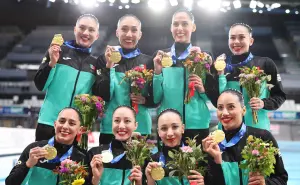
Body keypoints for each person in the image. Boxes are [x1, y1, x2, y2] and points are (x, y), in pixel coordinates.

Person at [152, 9, 218, 144]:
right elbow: (156, 98)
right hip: (169, 125)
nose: (179, 28)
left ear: (193, 27)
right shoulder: (161, 57)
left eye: (184, 24)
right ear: (171, 28)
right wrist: (157, 73)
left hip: (197, 124)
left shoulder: (203, 57)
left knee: (197, 165)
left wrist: (202, 90)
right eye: (175, 24)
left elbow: (213, 98)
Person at [34, 14, 100, 141]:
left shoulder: (96, 64)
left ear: (97, 35)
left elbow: (95, 100)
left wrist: (88, 120)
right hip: (49, 123)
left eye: (91, 30)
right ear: (75, 29)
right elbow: (39, 85)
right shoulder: (57, 51)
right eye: (82, 28)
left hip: (77, 128)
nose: (86, 33)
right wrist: (52, 63)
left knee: (73, 162)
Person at [202, 89, 288, 185]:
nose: (224, 113)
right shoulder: (210, 143)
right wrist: (216, 162)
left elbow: (281, 178)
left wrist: (265, 183)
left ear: (243, 110)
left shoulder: (262, 137)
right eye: (220, 108)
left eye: (231, 107)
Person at [93, 14, 155, 144]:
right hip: (111, 128)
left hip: (141, 127)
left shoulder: (149, 62)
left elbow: (157, 98)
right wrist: (108, 66)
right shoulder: (103, 59)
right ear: (117, 32)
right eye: (124, 29)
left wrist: (146, 100)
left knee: (139, 164)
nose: (129, 34)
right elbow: (102, 95)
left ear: (140, 34)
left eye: (134, 30)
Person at [214, 23, 286, 130]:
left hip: (257, 129)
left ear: (251, 41)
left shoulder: (265, 63)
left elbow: (280, 96)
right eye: (232, 38)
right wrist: (219, 74)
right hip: (227, 131)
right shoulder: (221, 66)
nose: (236, 42)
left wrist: (263, 103)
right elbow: (215, 99)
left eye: (241, 37)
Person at [5, 107, 86, 185]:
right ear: (55, 124)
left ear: (80, 130)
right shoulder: (34, 150)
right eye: (61, 121)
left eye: (71, 123)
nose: (65, 126)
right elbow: (10, 183)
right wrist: (28, 164)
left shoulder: (82, 158)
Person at [145, 109, 225, 185]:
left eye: (175, 127)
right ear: (159, 132)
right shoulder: (152, 162)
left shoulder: (199, 158)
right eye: (164, 128)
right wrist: (150, 181)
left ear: (182, 128)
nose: (169, 133)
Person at [86, 106, 143, 185]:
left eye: (127, 121)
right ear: (112, 124)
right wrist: (95, 179)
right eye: (117, 121)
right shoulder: (95, 154)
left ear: (135, 125)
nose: (121, 126)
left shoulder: (142, 156)